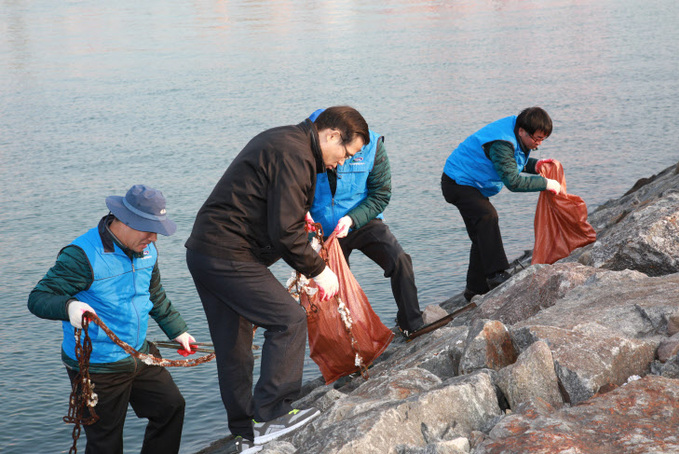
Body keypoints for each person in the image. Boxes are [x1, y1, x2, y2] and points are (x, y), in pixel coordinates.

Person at [185, 106, 370, 453]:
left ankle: (246, 435)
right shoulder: (296, 154)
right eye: (347, 153)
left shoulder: (288, 142)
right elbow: (284, 231)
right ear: (331, 135)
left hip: (205, 251)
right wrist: (320, 271)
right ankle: (272, 415)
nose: (343, 162)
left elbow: (278, 214)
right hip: (229, 252)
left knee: (234, 349)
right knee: (289, 319)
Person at [28, 184, 196, 454]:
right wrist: (70, 306)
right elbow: (38, 297)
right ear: (125, 220)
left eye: (157, 230)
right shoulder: (81, 256)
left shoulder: (148, 250)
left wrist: (178, 331)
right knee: (105, 442)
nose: (154, 238)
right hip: (98, 367)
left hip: (140, 355)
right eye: (149, 229)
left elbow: (154, 295)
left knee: (171, 407)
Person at [306, 108, 425, 338]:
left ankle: (412, 324)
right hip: (321, 230)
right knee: (334, 289)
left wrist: (352, 219)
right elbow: (292, 191)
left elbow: (381, 194)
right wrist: (304, 217)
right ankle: (350, 344)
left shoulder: (373, 146)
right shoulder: (307, 144)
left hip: (360, 219)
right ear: (331, 136)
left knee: (399, 260)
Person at [441, 107, 562, 301]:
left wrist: (536, 165)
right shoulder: (502, 143)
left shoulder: (517, 133)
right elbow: (513, 181)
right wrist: (546, 183)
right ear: (522, 130)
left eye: (542, 139)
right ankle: (497, 275)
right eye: (536, 139)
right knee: (488, 216)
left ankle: (475, 289)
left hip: (471, 183)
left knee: (482, 235)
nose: (538, 144)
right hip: (458, 182)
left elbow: (513, 161)